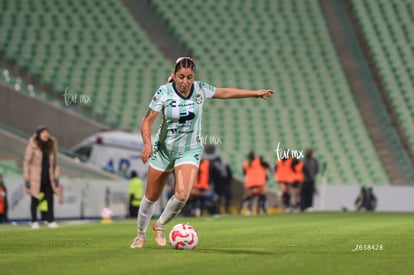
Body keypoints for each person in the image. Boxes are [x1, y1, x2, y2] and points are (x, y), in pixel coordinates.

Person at [130, 57, 274, 248]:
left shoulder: (200, 89)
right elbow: (146, 121)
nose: (185, 81)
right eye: (181, 76)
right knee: (151, 197)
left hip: (189, 150)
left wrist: (254, 94)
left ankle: (160, 225)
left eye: (189, 77)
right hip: (163, 149)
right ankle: (140, 235)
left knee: (182, 194)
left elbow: (226, 92)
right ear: (174, 75)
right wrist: (147, 145)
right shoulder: (164, 92)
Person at [23, 126, 60, 229]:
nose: (46, 134)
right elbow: (27, 162)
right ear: (38, 134)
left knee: (50, 198)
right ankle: (34, 221)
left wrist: (56, 176)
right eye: (43, 133)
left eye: (47, 132)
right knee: (35, 199)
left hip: (48, 176)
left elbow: (55, 163)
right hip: (35, 177)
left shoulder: (51, 145)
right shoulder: (33, 145)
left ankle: (51, 220)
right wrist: (27, 178)